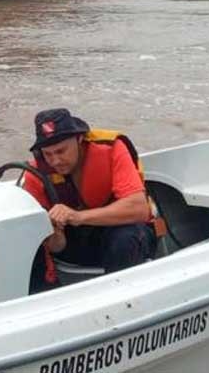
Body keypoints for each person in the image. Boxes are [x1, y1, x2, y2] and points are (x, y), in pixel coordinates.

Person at [20, 108, 155, 287]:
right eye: (48, 154)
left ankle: (119, 302)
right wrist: (56, 233)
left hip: (119, 233)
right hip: (75, 244)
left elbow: (139, 209)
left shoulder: (111, 148)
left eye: (61, 151)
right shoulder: (36, 173)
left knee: (126, 239)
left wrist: (78, 217)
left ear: (79, 139)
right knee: (27, 245)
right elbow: (55, 247)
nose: (55, 161)